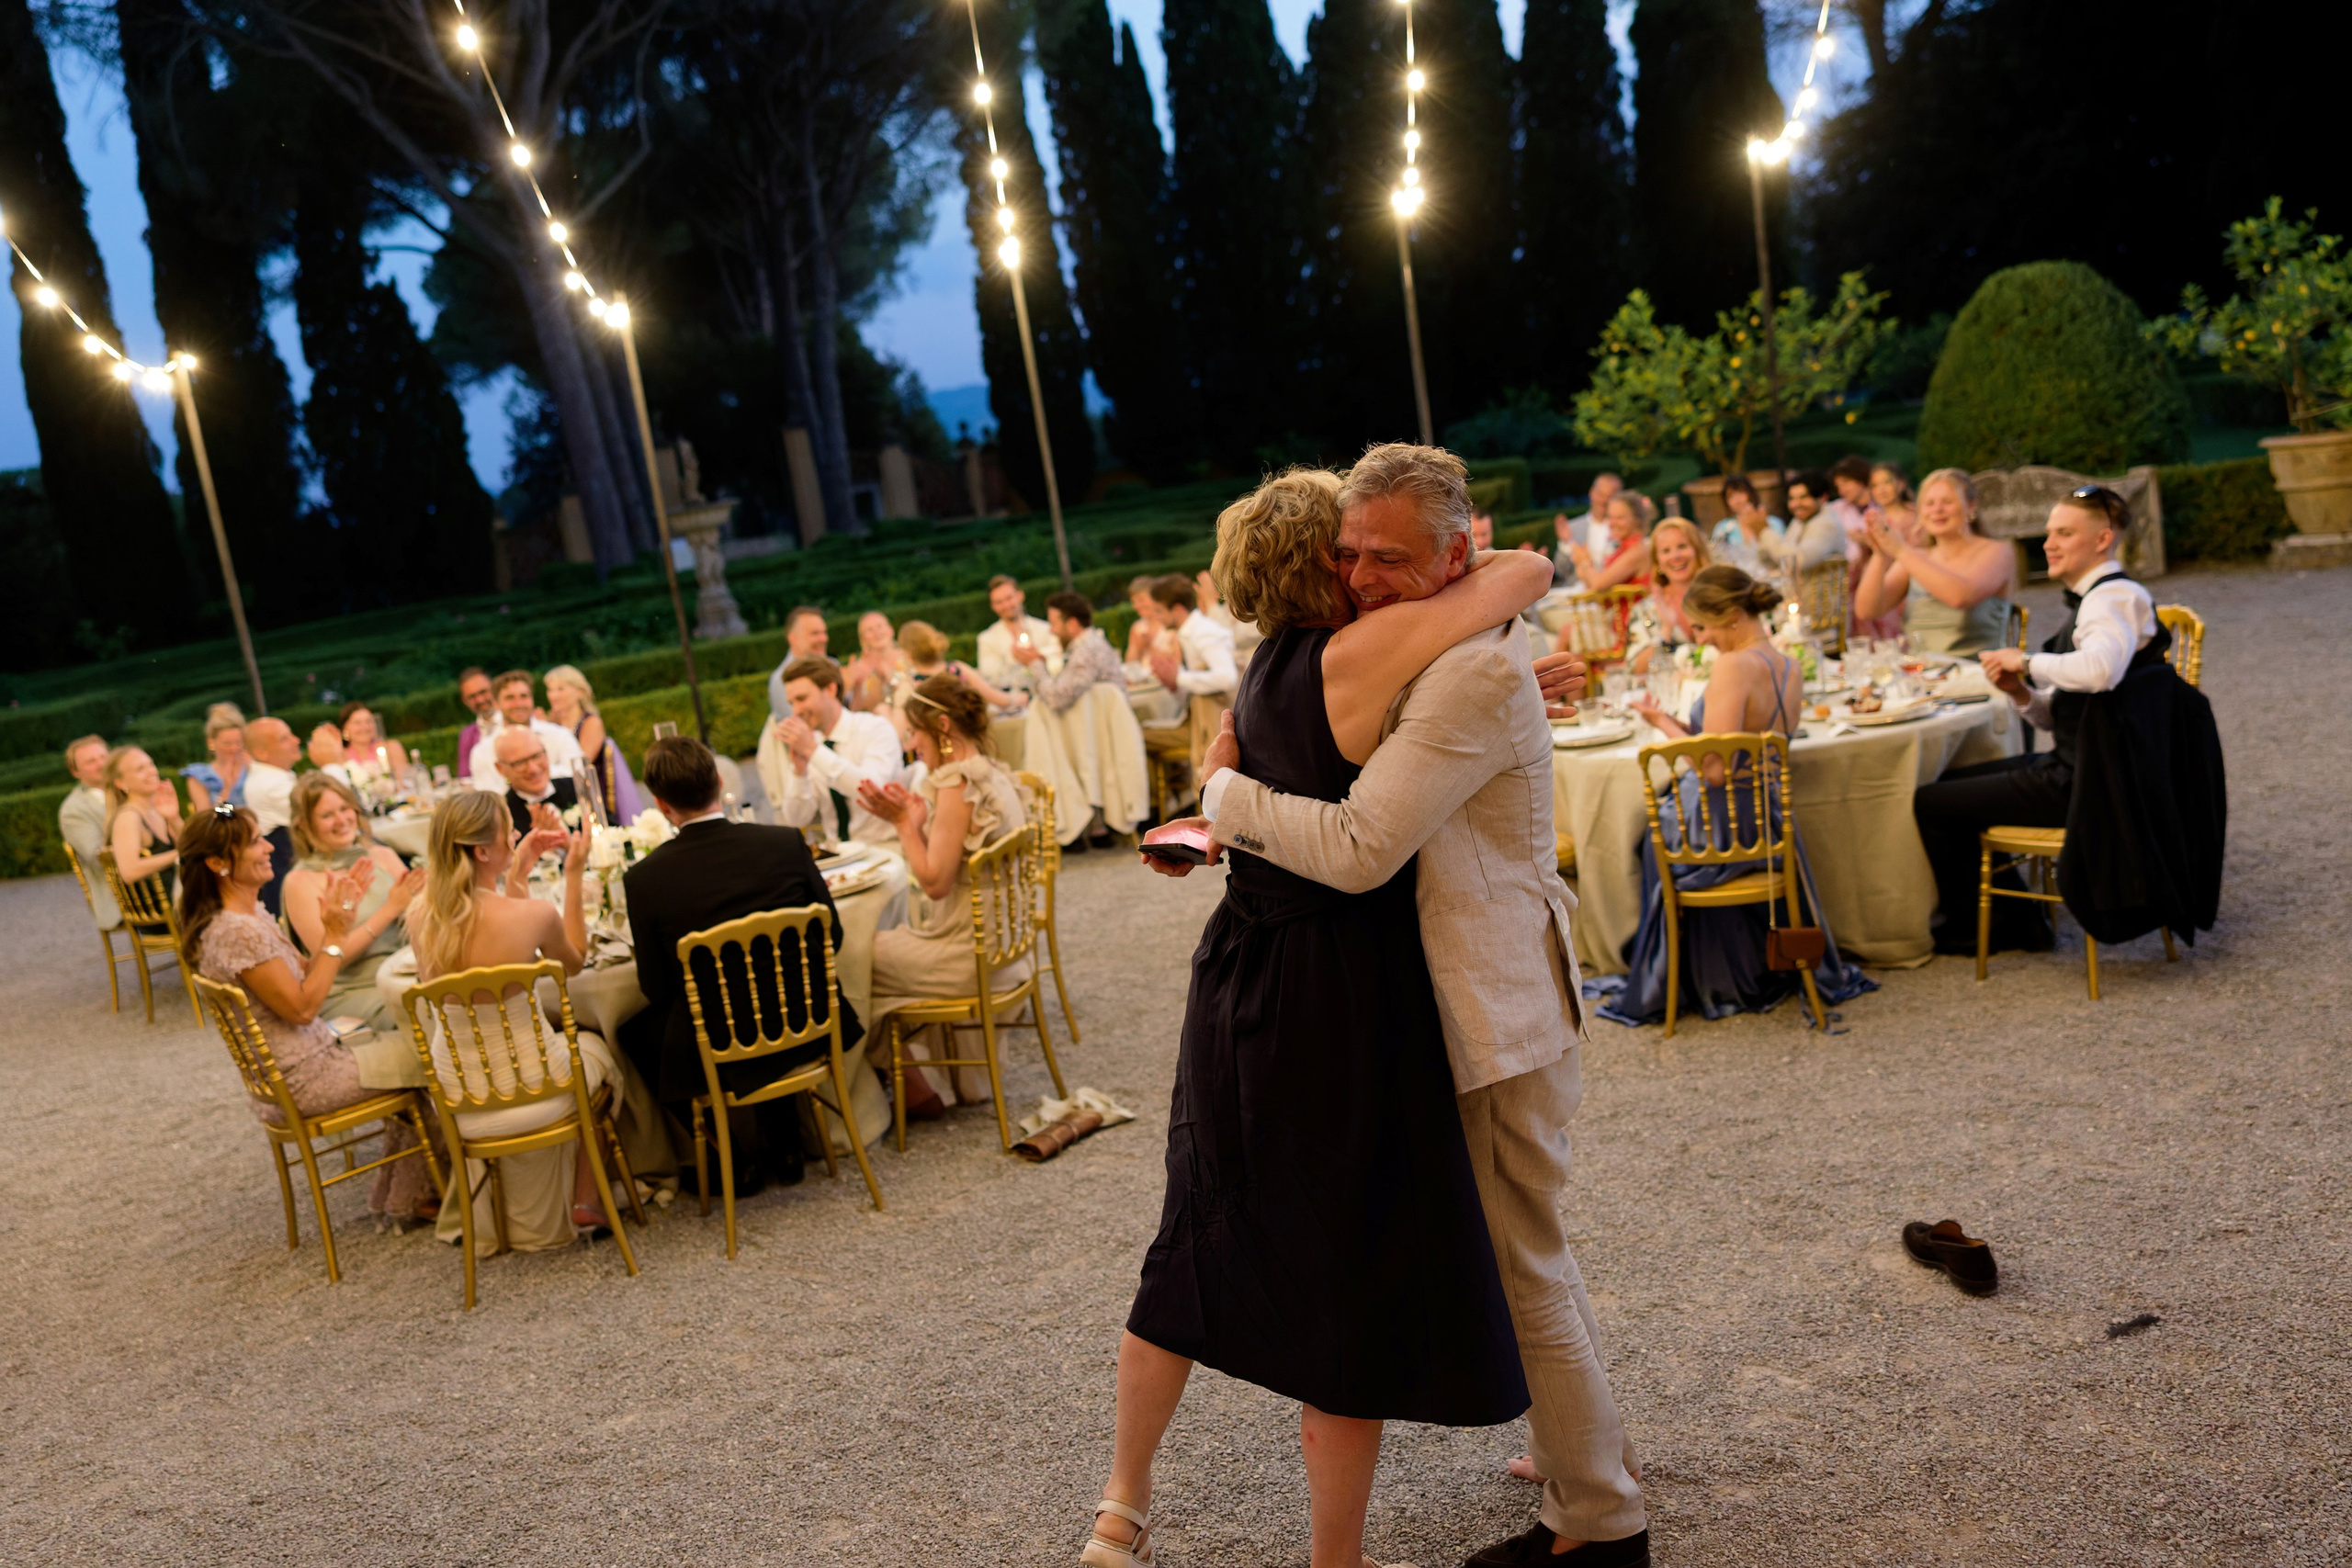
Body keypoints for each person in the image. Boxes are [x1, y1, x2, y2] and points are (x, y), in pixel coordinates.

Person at [1080, 456, 1571, 1568]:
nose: (1361, 567)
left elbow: (1253, 759)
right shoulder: (1361, 654)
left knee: (1193, 1231)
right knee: (1344, 1266)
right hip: (1342, 986)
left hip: (1236, 974)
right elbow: (1505, 585)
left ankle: (1123, 1503)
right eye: (1347, 551)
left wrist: (1213, 803)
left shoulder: (1257, 670)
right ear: (1323, 564)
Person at [1606, 567, 1874, 1030]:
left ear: (1731, 616)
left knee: (1644, 834)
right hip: (1765, 816)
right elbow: (1734, 745)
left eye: (1705, 627)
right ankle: (1735, 966)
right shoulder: (1787, 663)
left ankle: (1690, 978)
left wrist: (1664, 729)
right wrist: (1670, 722)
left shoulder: (1735, 665)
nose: (1703, 639)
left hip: (1723, 823)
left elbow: (1713, 771)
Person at [1914, 487, 2177, 953]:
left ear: (2102, 540)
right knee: (1945, 784)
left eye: (2065, 533)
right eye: (2050, 532)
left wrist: (2027, 660)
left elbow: (2099, 671)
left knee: (1930, 803)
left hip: (2092, 783)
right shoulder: (2097, 599)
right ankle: (2018, 920)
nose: (2049, 543)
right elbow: (2064, 714)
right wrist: (2020, 693)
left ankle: (1988, 927)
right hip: (2081, 765)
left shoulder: (2113, 599)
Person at [617, 736, 859, 1193]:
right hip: (807, 1021)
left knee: (636, 1031)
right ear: (721, 781)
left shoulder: (645, 879)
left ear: (662, 805)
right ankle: (786, 1143)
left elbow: (656, 987)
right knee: (763, 992)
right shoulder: (784, 843)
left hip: (721, 1046)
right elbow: (835, 936)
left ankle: (727, 1157)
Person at [180, 805, 438, 1224]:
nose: (268, 847)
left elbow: (305, 970)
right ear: (216, 863)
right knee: (434, 1055)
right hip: (307, 1076)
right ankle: (442, 1187)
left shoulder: (248, 914)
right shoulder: (236, 931)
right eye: (253, 843)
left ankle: (417, 1191)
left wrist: (340, 922)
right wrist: (336, 935)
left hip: (310, 1058)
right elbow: (302, 1008)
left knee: (413, 1044)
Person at [408, 790, 619, 1243]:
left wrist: (516, 873)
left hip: (463, 1094)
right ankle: (586, 1199)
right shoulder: (535, 915)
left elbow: (486, 928)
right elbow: (575, 962)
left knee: (566, 1047)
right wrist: (574, 871)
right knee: (601, 1051)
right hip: (538, 1085)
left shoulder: (419, 917)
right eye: (509, 830)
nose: (517, 835)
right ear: (483, 850)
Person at [855, 678, 1032, 1121]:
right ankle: (922, 1081)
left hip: (971, 957)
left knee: (856, 958)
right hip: (1007, 948)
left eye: (914, 731)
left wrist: (901, 824)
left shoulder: (956, 783)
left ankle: (908, 1089)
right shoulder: (988, 770)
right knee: (885, 941)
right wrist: (916, 821)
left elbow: (934, 882)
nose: (910, 742)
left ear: (942, 726)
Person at [281, 772, 424, 1031]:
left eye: (345, 808)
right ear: (303, 825)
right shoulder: (301, 882)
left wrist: (424, 898)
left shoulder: (381, 855)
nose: (342, 820)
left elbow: (418, 916)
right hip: (355, 988)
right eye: (327, 815)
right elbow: (333, 959)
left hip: (409, 969)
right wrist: (391, 908)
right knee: (429, 1011)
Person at [1853, 467, 2014, 655]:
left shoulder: (1998, 551)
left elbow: (1960, 597)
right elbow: (1867, 611)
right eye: (1929, 503)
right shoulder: (1918, 557)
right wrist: (1880, 555)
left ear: (1971, 506)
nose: (1937, 510)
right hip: (1922, 673)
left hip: (1976, 672)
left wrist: (1901, 550)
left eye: (1947, 502)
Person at [759, 656, 903, 851]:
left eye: (802, 699)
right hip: (837, 855)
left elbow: (872, 789)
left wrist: (813, 751)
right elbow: (797, 819)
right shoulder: (814, 745)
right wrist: (799, 772)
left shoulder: (874, 728)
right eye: (792, 703)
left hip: (884, 849)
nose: (797, 711)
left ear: (830, 689)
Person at [544, 664, 642, 822]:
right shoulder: (550, 726)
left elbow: (581, 764)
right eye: (550, 690)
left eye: (560, 689)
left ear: (580, 692)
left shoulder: (590, 723)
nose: (553, 696)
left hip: (593, 798)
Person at [467, 671, 584, 791]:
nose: (518, 704)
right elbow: (488, 797)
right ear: (496, 704)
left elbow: (580, 775)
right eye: (510, 698)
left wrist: (520, 777)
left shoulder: (560, 735)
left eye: (524, 696)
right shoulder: (482, 752)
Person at [1625, 516, 1713, 674]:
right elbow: (1635, 669)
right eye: (1666, 551)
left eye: (1682, 546)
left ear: (1698, 552)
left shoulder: (1720, 598)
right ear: (1657, 562)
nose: (1675, 556)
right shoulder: (1645, 610)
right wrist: (1666, 631)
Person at [893, 620, 1027, 718]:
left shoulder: (910, 687)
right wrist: (1021, 697)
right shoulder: (958, 670)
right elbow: (996, 698)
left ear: (908, 654)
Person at [105, 746, 183, 904]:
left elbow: (192, 845)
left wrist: (174, 818)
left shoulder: (156, 809)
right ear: (120, 783)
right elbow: (129, 871)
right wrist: (179, 854)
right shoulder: (128, 817)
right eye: (140, 769)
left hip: (179, 898)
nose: (151, 771)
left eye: (151, 764)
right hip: (161, 908)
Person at [241, 717, 302, 916]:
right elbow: (317, 812)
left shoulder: (274, 776)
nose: (297, 740)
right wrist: (332, 763)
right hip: (289, 869)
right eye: (285, 739)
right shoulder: (269, 785)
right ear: (261, 753)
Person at [58, 733, 119, 930]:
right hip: (124, 894)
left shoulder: (133, 785)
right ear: (75, 772)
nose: (101, 764)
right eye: (90, 761)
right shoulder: (73, 811)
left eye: (103, 757)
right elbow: (99, 859)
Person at [1145, 574, 1238, 701]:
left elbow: (1227, 679)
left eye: (1159, 611)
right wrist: (1174, 685)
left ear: (1177, 609)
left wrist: (1178, 677)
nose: (1156, 617)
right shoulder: (1189, 632)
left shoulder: (1203, 632)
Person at [1034, 592, 1125, 714]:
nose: (1051, 630)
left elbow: (1056, 699)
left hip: (1102, 728)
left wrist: (1034, 663)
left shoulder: (1088, 650)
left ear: (1072, 624)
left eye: (1054, 624)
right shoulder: (1088, 645)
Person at [976, 574, 1061, 694]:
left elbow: (1058, 662)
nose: (1006, 605)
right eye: (999, 602)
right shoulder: (986, 639)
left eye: (1009, 598)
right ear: (992, 606)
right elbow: (989, 677)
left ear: (1020, 595)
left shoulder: (1045, 629)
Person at [491, 726, 578, 837]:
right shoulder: (502, 818)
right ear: (500, 768)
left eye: (536, 756)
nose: (533, 769)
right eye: (519, 763)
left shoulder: (576, 787)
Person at [1563, 492, 1650, 592]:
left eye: (1620, 518)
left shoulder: (1637, 551)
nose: (1612, 523)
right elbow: (1594, 588)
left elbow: (1599, 585)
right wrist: (1581, 564)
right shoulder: (1624, 549)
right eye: (1609, 517)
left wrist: (1584, 561)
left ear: (1636, 520)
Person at [1708, 475, 1787, 576]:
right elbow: (1717, 559)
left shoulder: (1774, 523)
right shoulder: (1723, 528)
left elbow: (1785, 557)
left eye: (1741, 492)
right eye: (1731, 496)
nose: (1737, 499)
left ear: (1751, 493)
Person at [764, 605, 832, 722]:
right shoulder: (781, 679)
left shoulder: (832, 664)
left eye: (824, 632)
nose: (823, 639)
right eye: (815, 633)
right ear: (793, 639)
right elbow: (798, 730)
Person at [1553, 471, 1624, 577]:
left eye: (1610, 496)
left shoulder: (1624, 529)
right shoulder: (1572, 528)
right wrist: (1565, 543)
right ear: (1591, 493)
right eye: (1601, 494)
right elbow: (1561, 571)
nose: (1604, 501)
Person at [180, 704, 249, 814]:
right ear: (211, 742)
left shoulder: (252, 768)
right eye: (227, 744)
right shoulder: (200, 777)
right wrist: (227, 790)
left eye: (238, 742)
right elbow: (210, 822)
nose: (234, 748)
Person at [1779, 470, 1849, 571]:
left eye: (1803, 497)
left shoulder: (1827, 524)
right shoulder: (1799, 521)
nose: (1796, 504)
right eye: (1791, 499)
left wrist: (1763, 530)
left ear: (1823, 498)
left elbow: (1798, 561)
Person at [1193, 568, 1263, 661]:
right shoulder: (1234, 599)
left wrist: (1210, 604)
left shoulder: (1261, 600)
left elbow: (1230, 637)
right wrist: (1206, 611)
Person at [840, 611, 903, 714]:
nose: (876, 633)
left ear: (891, 630)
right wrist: (855, 685)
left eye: (879, 626)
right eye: (869, 630)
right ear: (863, 639)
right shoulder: (857, 668)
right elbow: (855, 712)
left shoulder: (909, 656)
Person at [336, 704, 412, 785]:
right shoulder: (340, 757)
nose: (365, 727)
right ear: (345, 728)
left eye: (369, 721)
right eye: (357, 723)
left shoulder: (391, 747)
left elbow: (405, 781)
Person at [1124, 574, 1175, 667]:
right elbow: (1130, 665)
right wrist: (1137, 648)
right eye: (1134, 602)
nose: (1136, 606)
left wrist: (1148, 646)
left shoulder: (1170, 625)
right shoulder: (1137, 628)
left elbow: (1175, 663)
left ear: (1155, 597)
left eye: (1141, 600)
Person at [453, 667, 496, 775]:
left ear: (494, 688)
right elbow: (464, 776)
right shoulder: (467, 735)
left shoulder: (515, 720)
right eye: (472, 696)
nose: (480, 700)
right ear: (464, 700)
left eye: (483, 692)